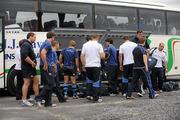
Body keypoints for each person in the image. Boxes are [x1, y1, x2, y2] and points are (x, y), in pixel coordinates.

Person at [80, 33, 105, 102]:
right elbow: (102, 56)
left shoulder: (85, 45)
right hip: (96, 65)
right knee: (96, 82)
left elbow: (82, 56)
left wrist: (83, 65)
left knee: (89, 81)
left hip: (88, 66)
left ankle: (89, 95)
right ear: (97, 37)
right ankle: (95, 98)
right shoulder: (99, 45)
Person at [35, 32, 57, 107]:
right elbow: (42, 53)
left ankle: (48, 103)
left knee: (47, 84)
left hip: (44, 65)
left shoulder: (44, 43)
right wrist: (46, 64)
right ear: (53, 37)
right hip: (46, 66)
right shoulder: (48, 44)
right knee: (50, 83)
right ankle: (38, 98)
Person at [21, 32, 39, 106]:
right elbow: (25, 56)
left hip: (31, 68)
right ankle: (24, 100)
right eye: (34, 37)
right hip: (27, 68)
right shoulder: (26, 44)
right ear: (30, 37)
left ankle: (37, 98)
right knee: (26, 83)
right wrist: (32, 62)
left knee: (36, 81)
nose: (35, 39)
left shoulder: (29, 45)